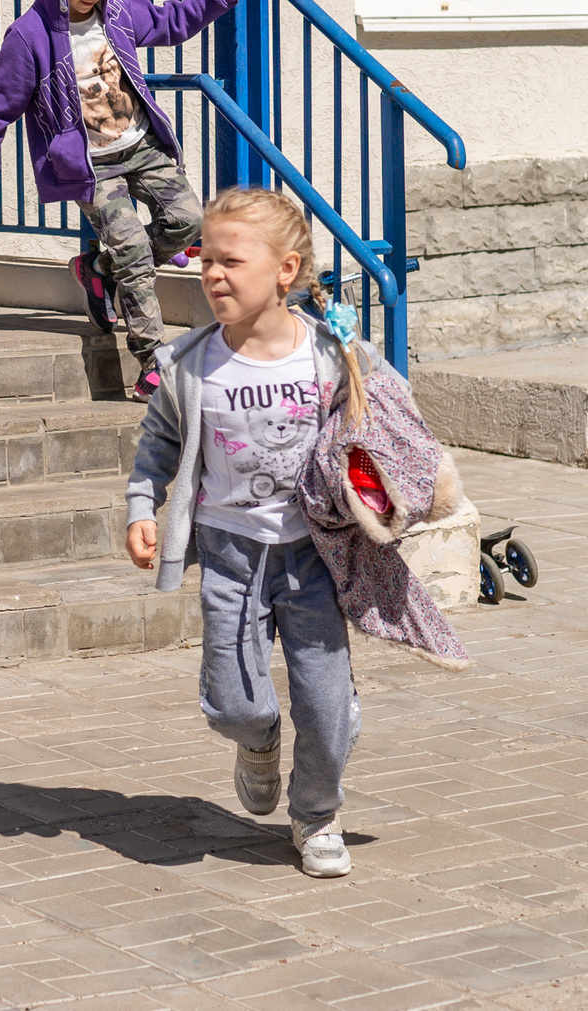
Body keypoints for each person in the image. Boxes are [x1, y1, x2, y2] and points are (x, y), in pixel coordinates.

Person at [123, 190, 470, 879]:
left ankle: (315, 815)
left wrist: (414, 483)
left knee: (324, 703)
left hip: (315, 554)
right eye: (204, 259)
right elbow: (158, 441)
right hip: (229, 552)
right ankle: (257, 744)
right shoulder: (190, 364)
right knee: (233, 700)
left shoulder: (329, 354)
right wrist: (142, 505)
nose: (212, 273)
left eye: (231, 260)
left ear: (286, 270)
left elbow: (390, 422)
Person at [0, 0, 271, 400]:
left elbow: (174, 20)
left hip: (141, 147)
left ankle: (98, 272)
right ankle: (153, 364)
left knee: (190, 221)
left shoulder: (120, 14)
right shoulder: (30, 36)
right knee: (132, 250)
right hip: (91, 167)